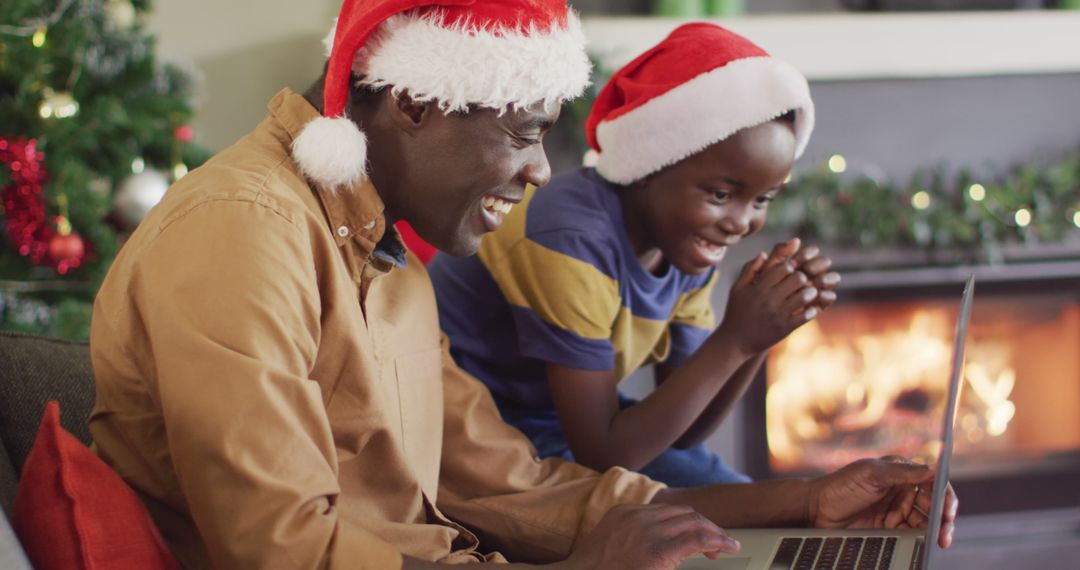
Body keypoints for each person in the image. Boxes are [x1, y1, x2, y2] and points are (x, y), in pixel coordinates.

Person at [87, 2, 957, 569]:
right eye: (523, 132)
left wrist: (806, 499)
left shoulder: (385, 255)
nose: (544, 169)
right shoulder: (245, 231)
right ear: (415, 104)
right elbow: (280, 551)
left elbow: (514, 485)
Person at [428, 23, 837, 487]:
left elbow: (687, 433)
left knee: (745, 499)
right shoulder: (570, 237)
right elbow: (603, 454)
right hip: (477, 426)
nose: (742, 223)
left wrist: (760, 336)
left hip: (563, 423)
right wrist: (736, 340)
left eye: (762, 200)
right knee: (713, 515)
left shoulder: (688, 241)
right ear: (648, 165)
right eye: (722, 194)